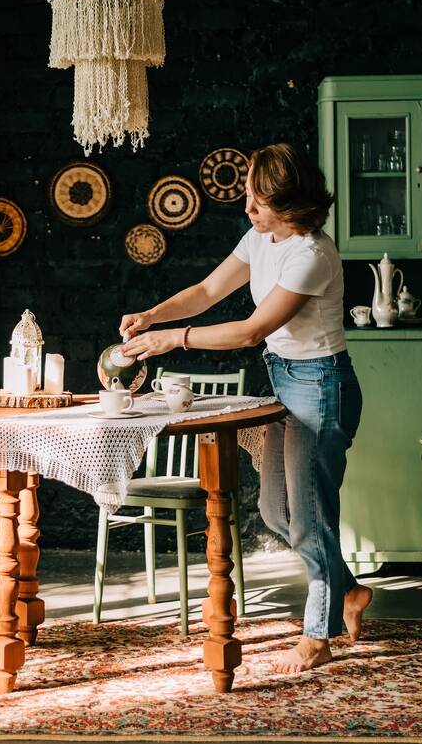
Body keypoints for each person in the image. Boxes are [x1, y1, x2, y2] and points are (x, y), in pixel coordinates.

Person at [119, 142, 371, 673]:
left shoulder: (312, 254)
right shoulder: (262, 237)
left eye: (258, 200)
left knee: (309, 516)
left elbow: (253, 330)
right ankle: (347, 592)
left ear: (290, 202)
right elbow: (209, 288)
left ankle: (318, 637)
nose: (248, 209)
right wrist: (152, 315)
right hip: (285, 381)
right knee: (276, 512)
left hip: (321, 386)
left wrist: (173, 340)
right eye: (250, 199)